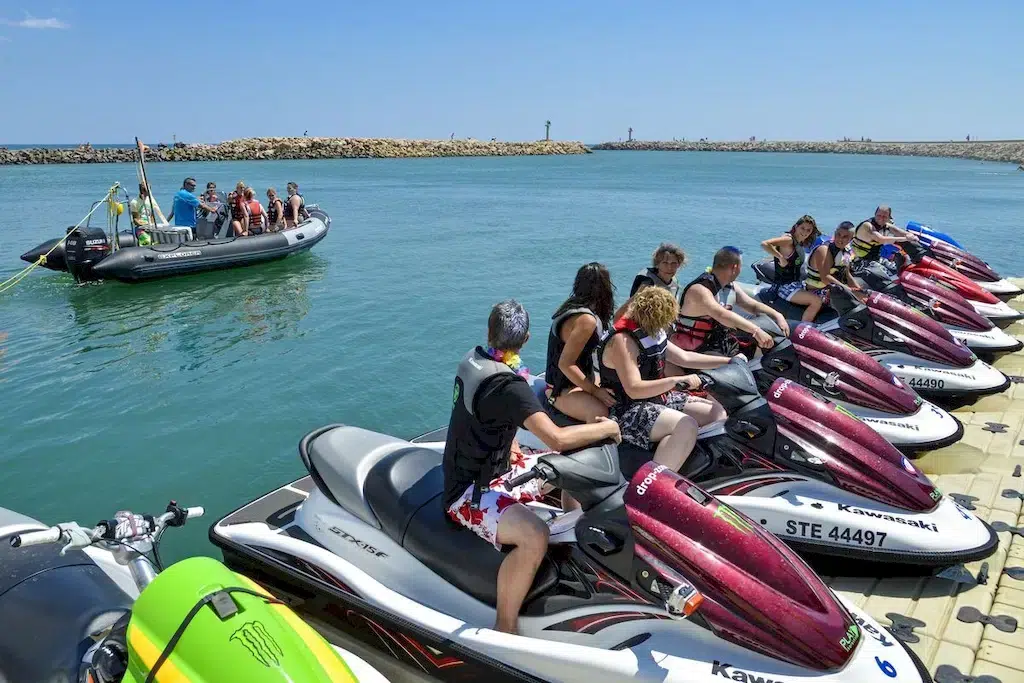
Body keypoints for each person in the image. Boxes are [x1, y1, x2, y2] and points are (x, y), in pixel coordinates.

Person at [443, 300, 621, 635]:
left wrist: (511, 446)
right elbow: (556, 438)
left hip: (494, 471)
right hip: (469, 492)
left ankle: (573, 526)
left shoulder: (474, 358)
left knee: (569, 467)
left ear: (489, 332)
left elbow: (484, 416)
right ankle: (505, 626)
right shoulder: (510, 386)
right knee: (534, 536)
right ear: (526, 339)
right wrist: (607, 427)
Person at [598, 287, 729, 472]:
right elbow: (634, 388)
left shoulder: (652, 331)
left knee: (716, 413)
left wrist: (730, 362)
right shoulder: (624, 341)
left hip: (659, 398)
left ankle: (684, 463)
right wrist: (674, 381)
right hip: (627, 410)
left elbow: (685, 358)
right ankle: (653, 484)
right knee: (686, 425)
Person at [674, 246, 787, 356]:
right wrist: (756, 331)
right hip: (695, 349)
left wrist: (778, 315)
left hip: (719, 342)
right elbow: (721, 314)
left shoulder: (730, 286)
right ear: (735, 267)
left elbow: (753, 306)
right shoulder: (700, 290)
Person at [545, 263, 618, 423]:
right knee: (600, 414)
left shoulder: (573, 305)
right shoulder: (586, 320)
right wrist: (595, 391)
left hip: (581, 381)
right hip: (561, 388)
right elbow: (565, 364)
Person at [760, 215, 824, 322]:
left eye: (809, 230)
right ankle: (804, 330)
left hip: (796, 283)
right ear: (796, 226)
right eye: (802, 228)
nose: (805, 232)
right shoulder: (788, 240)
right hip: (785, 287)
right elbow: (765, 244)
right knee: (816, 302)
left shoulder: (799, 241)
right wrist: (780, 257)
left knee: (823, 292)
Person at [804, 221, 862, 307]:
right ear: (834, 233)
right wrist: (848, 290)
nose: (840, 239)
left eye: (845, 237)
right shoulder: (823, 250)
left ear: (851, 239)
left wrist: (860, 291)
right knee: (854, 303)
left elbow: (847, 275)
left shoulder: (847, 252)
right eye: (838, 234)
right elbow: (825, 278)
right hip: (817, 291)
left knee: (864, 300)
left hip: (835, 289)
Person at [851, 205, 918, 275]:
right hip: (859, 261)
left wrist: (911, 236)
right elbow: (881, 239)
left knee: (896, 270)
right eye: (879, 215)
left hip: (876, 258)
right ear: (875, 214)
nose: (881, 218)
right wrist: (906, 238)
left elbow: (900, 232)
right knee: (886, 275)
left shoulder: (886, 225)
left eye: (884, 216)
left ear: (889, 218)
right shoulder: (867, 226)